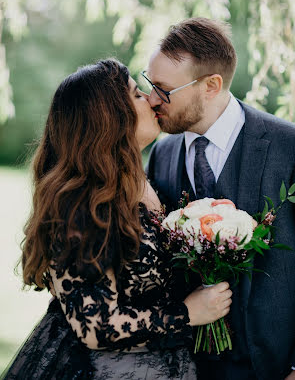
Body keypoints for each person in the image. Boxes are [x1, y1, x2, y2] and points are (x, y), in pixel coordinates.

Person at [2, 58, 232, 380]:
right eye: (138, 95)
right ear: (109, 119)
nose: (153, 99)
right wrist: (188, 313)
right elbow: (96, 327)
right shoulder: (80, 204)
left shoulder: (143, 179)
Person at [144, 18, 295, 380]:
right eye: (150, 85)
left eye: (164, 91)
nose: (151, 100)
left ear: (211, 86)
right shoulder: (161, 155)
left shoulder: (288, 148)